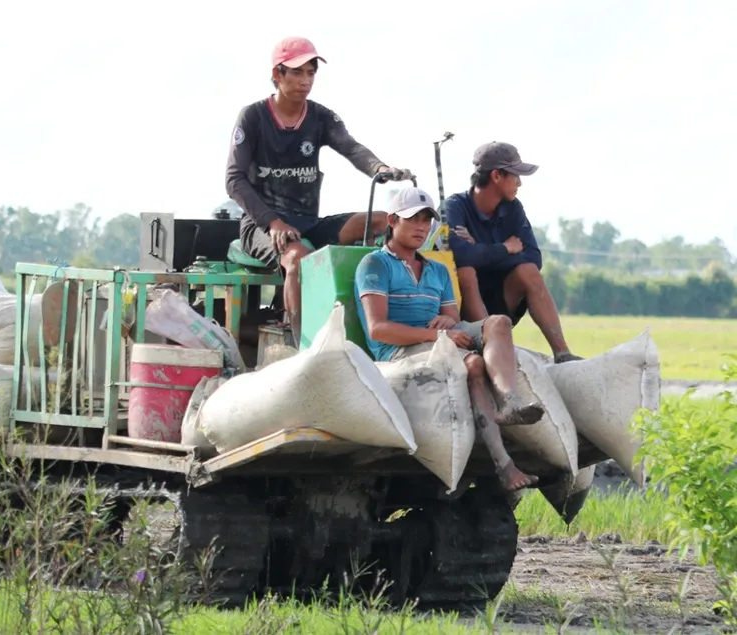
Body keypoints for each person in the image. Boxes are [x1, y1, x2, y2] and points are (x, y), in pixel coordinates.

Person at [354, 186, 544, 492]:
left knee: (498, 322)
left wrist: (448, 322)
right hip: (400, 349)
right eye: (412, 219)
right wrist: (438, 334)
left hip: (439, 339)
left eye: (425, 220)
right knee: (473, 365)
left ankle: (510, 400)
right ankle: (504, 464)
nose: (420, 227)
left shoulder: (438, 270)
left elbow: (453, 318)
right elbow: (378, 329)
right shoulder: (375, 265)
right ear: (392, 220)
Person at [225, 35, 411, 342]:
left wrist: (380, 168)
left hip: (308, 222)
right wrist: (272, 222)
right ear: (277, 75)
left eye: (311, 72)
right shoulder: (253, 116)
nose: (305, 80)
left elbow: (352, 148)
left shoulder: (321, 116)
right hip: (263, 224)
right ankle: (303, 345)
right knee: (298, 258)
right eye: (297, 72)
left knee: (383, 220)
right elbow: (234, 179)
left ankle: (387, 324)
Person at [443, 141, 582, 364]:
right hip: (466, 304)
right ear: (497, 175)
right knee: (467, 271)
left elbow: (534, 258)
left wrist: (479, 248)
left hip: (503, 297)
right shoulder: (454, 207)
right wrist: (505, 248)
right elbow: (461, 257)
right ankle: (487, 345)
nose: (519, 183)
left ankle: (563, 354)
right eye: (515, 175)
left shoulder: (513, 207)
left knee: (528, 271)